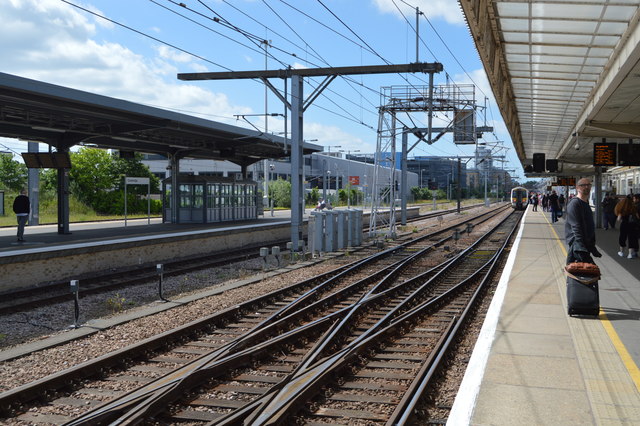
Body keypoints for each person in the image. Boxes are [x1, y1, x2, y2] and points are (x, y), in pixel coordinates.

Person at [565, 178, 602, 264]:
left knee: (579, 271)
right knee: (589, 270)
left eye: (588, 185)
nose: (586, 187)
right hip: (577, 244)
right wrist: (580, 246)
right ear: (577, 188)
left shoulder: (585, 203)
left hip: (586, 243)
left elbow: (589, 225)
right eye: (583, 185)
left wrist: (592, 246)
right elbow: (575, 226)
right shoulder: (574, 204)